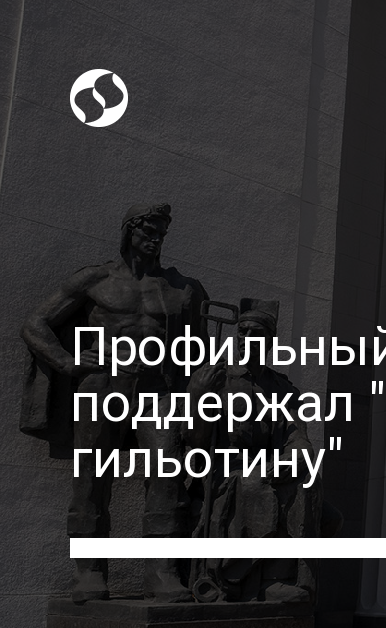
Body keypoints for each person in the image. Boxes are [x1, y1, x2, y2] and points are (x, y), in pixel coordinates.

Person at [21, 203, 207, 603]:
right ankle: (89, 571)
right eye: (149, 231)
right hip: (103, 385)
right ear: (129, 231)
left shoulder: (180, 288)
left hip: (158, 390)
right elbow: (36, 323)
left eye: (161, 233)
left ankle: (161, 571)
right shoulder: (95, 279)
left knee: (167, 474)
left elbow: (199, 351)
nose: (155, 239)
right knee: (91, 475)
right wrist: (67, 362)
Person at [185, 299, 322, 603]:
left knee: (307, 483)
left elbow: (297, 436)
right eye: (242, 331)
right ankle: (236, 580)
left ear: (270, 341)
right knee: (254, 485)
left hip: (268, 467)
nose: (246, 338)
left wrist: (297, 456)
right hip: (224, 471)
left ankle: (280, 579)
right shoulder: (215, 378)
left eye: (255, 333)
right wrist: (199, 397)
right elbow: (194, 440)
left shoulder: (283, 389)